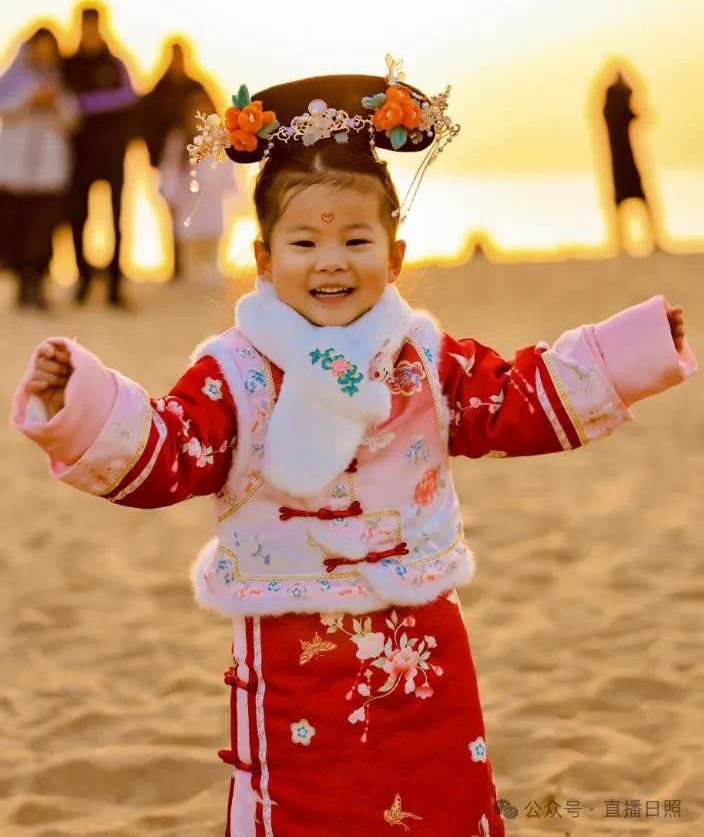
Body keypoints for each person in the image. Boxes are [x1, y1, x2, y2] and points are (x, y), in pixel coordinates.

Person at [11, 61, 696, 837]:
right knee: (303, 807)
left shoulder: (423, 360)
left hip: (422, 635)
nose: (331, 260)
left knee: (439, 796)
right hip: (294, 644)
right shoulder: (235, 371)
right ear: (263, 259)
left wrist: (632, 352)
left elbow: (512, 399)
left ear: (395, 256)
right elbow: (175, 448)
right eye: (304, 241)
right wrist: (79, 404)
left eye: (356, 239)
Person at [64, 6, 137, 307]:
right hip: (78, 155)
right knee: (78, 218)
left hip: (112, 153)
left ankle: (114, 284)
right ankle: (83, 279)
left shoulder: (115, 64)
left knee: (116, 218)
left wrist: (84, 104)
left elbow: (131, 99)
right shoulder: (68, 65)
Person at [0, 26, 78, 309]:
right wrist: (30, 98)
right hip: (14, 174)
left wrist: (54, 102)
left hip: (49, 173)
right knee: (15, 231)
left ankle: (38, 284)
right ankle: (22, 285)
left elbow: (72, 120)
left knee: (43, 234)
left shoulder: (62, 80)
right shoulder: (13, 79)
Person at [138, 42, 217, 277]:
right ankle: (177, 264)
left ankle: (201, 266)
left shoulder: (197, 87)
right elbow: (144, 125)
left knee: (203, 215)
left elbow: (214, 116)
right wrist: (156, 156)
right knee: (174, 213)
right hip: (170, 161)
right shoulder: (158, 90)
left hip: (199, 161)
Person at [158, 88, 242, 283]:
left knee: (212, 265)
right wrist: (170, 199)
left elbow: (229, 172)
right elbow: (169, 173)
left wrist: (237, 199)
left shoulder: (221, 140)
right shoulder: (178, 141)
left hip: (212, 209)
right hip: (188, 209)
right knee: (191, 266)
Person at [602, 70, 656, 249]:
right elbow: (633, 114)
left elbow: (636, 115)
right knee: (625, 203)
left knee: (635, 202)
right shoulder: (613, 106)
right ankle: (621, 242)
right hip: (621, 164)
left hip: (625, 163)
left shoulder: (613, 106)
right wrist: (625, 89)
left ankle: (644, 241)